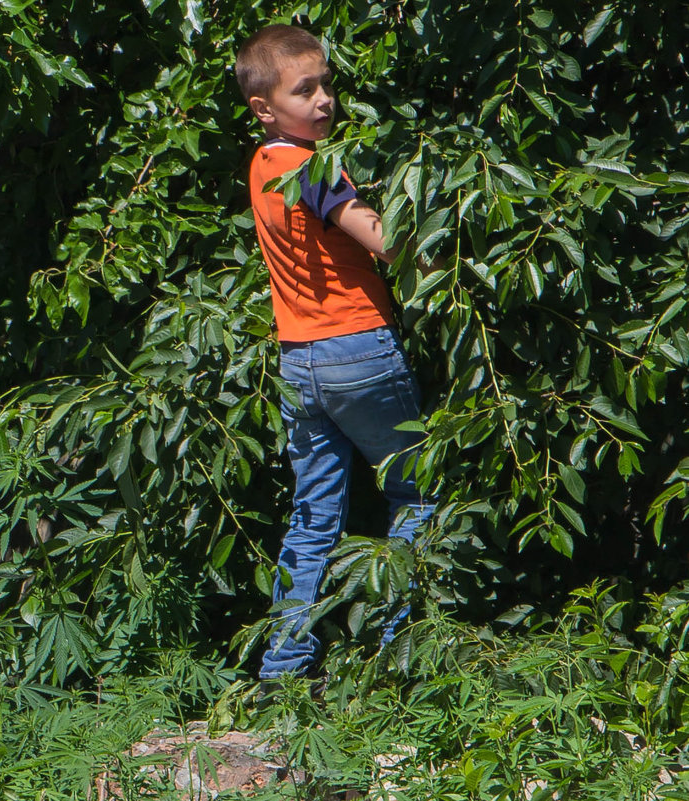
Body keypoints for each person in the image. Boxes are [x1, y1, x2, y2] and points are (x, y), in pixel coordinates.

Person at [235, 24, 434, 682]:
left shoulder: (263, 163)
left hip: (299, 362)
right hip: (358, 350)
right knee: (418, 493)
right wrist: (437, 252)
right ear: (264, 107)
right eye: (305, 89)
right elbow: (376, 237)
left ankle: (284, 667)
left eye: (325, 85)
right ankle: (397, 653)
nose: (323, 100)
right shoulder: (312, 167)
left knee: (315, 512)